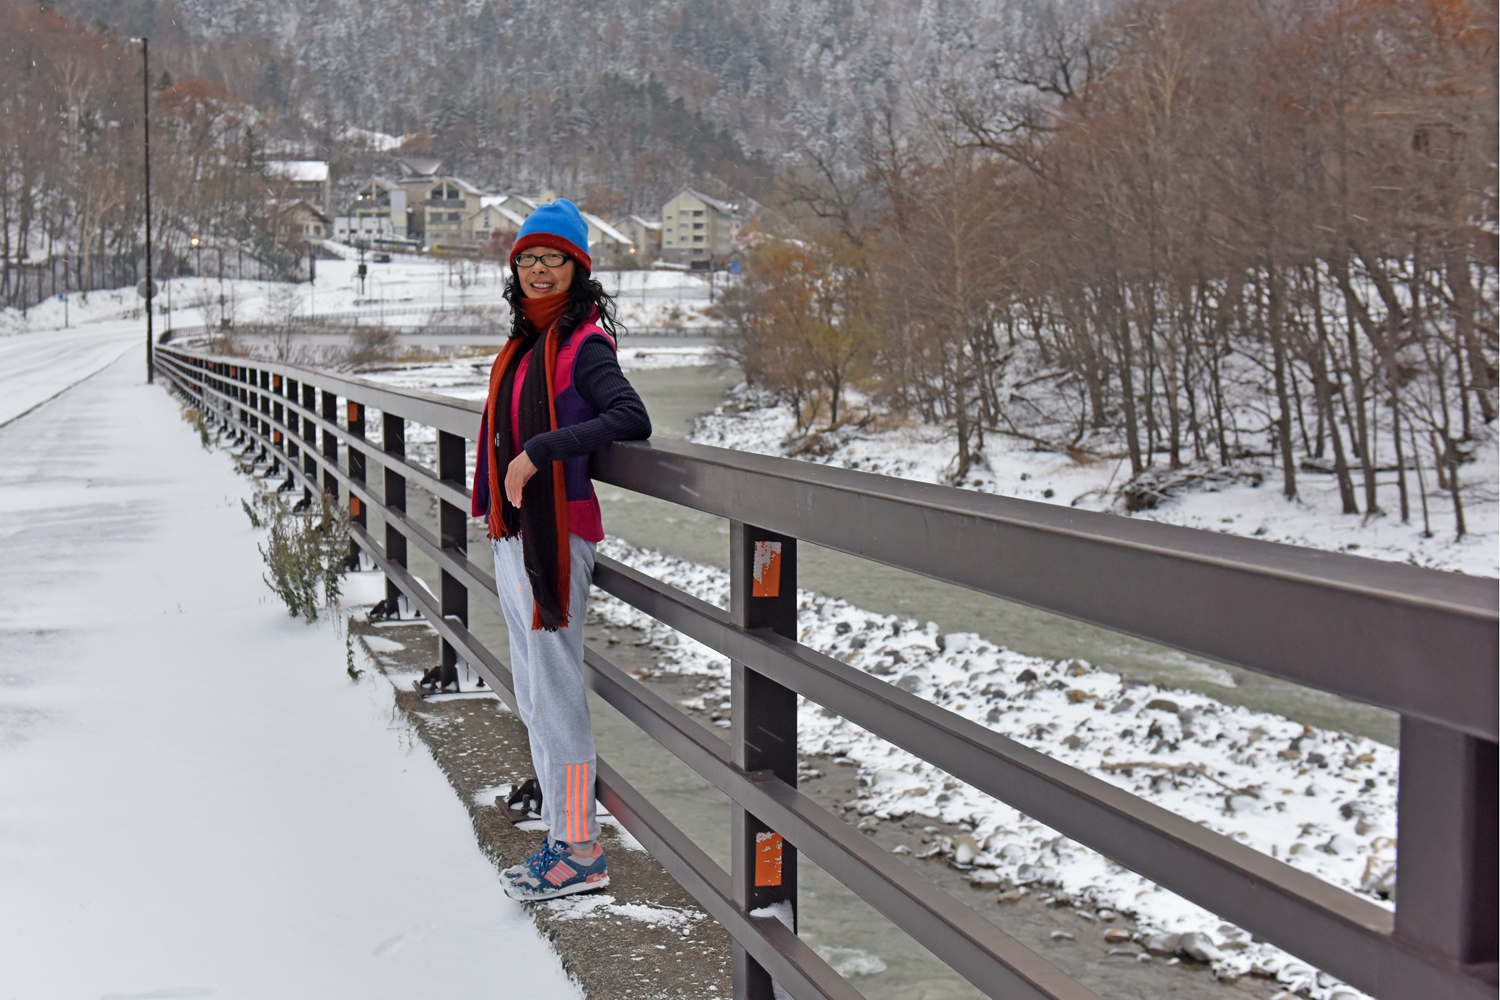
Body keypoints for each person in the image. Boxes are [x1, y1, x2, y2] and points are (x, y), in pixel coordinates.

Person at [470, 200, 651, 901]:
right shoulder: (522, 346)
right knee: (535, 692)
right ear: (515, 269)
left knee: (555, 691)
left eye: (554, 259)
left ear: (578, 268)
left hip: (555, 538)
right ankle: (561, 835)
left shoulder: (584, 345)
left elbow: (630, 418)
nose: (539, 269)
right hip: (516, 534)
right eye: (528, 258)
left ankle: (580, 848)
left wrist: (540, 452)